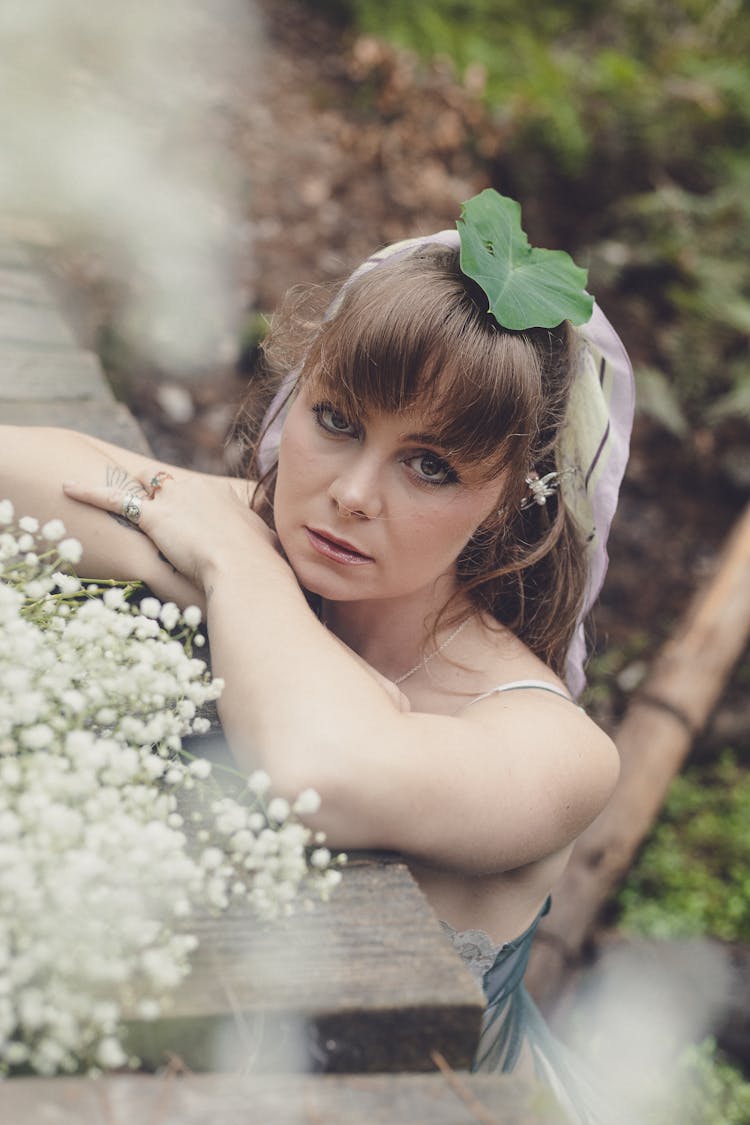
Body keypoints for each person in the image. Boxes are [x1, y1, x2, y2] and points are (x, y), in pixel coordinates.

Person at [0, 189, 634, 1120]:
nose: (351, 495)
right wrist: (221, 554)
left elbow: (316, 769)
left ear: (506, 501)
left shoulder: (557, 746)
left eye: (431, 467)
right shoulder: (284, 555)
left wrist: (220, 553)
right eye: (337, 421)